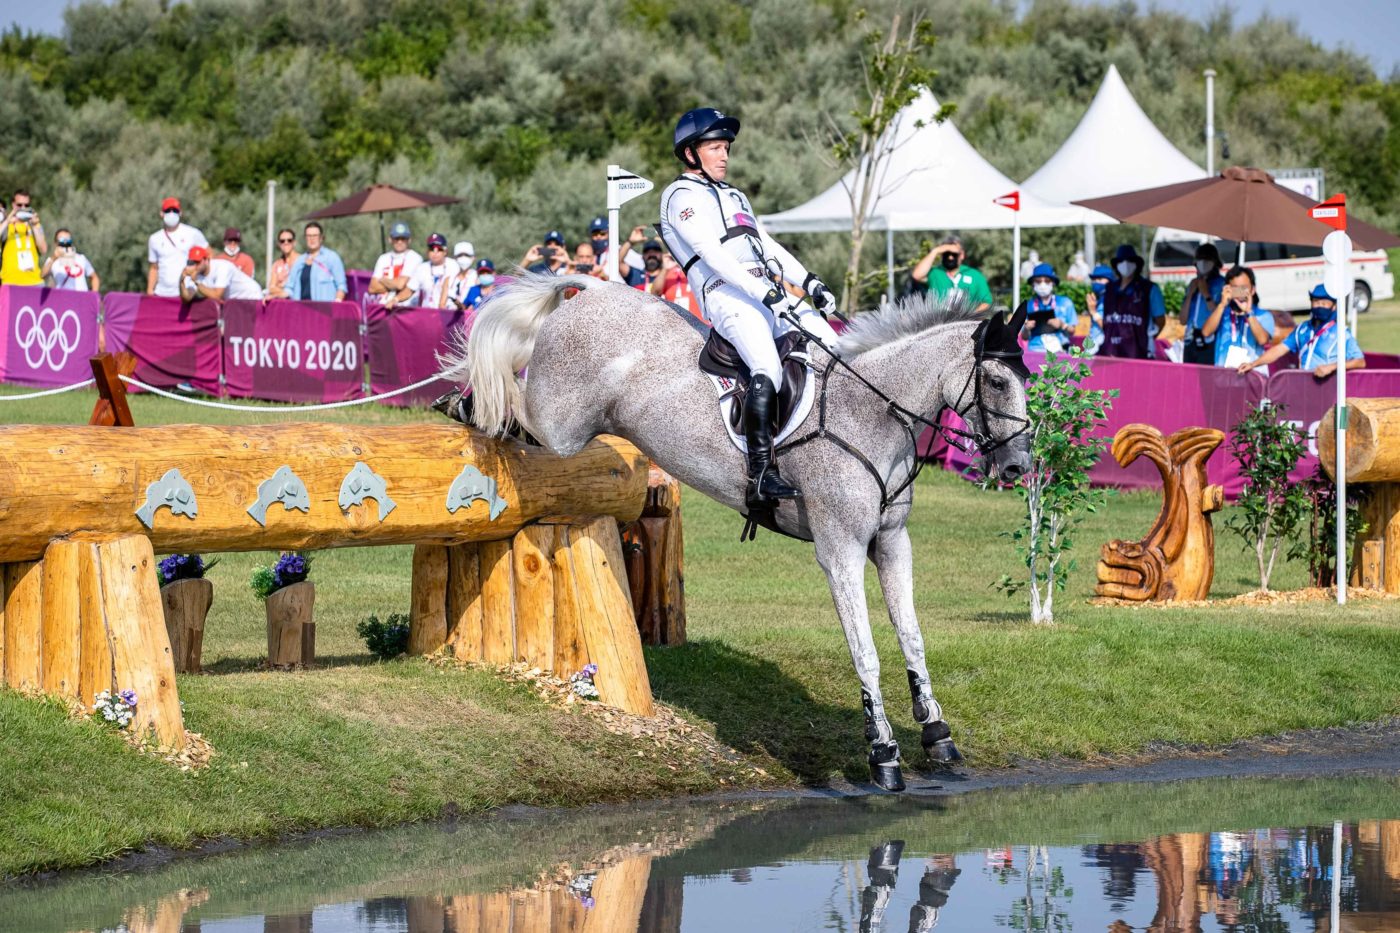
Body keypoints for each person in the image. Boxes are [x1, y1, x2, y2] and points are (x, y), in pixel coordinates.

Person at [659, 106, 840, 508]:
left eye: (726, 148)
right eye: (715, 147)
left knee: (834, 347)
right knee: (767, 366)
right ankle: (760, 475)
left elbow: (766, 244)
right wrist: (764, 292)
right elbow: (711, 252)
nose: (724, 155)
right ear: (691, 153)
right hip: (725, 290)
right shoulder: (679, 195)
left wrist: (809, 282)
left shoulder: (734, 195)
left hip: (766, 287)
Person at [1239, 284, 1364, 380]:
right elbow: (1279, 350)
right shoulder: (1302, 329)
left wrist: (1331, 367)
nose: (1319, 306)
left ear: (1334, 306)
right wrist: (1253, 364)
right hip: (1303, 385)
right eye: (1316, 302)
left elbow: (1360, 362)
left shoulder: (1341, 332)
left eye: (1324, 303)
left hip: (1328, 387)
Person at [1202, 265, 1274, 373]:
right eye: (1235, 288)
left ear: (1253, 290)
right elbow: (1206, 332)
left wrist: (1249, 312)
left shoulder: (1263, 315)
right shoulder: (1221, 313)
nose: (1240, 292)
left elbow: (1263, 340)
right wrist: (1222, 304)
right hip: (1224, 379)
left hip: (1254, 379)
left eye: (1244, 288)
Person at [1098, 244, 1165, 359]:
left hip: (1140, 353)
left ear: (1137, 264)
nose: (1125, 264)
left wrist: (1145, 338)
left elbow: (1160, 320)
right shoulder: (1109, 289)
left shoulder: (1149, 289)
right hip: (1111, 352)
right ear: (1116, 265)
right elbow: (1106, 321)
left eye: (1130, 261)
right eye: (1122, 261)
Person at [910, 236, 993, 313]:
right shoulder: (935, 273)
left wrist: (969, 317)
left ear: (962, 255)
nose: (950, 257)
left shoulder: (975, 275)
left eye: (954, 254)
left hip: (967, 324)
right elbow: (917, 275)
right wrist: (935, 251)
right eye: (946, 253)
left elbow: (987, 302)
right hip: (938, 323)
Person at [146, 197, 208, 297]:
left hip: (185, 292)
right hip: (161, 293)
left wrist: (198, 276)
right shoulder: (154, 238)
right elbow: (154, 268)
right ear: (161, 214)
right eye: (168, 211)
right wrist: (150, 290)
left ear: (180, 213)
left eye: (174, 210)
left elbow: (209, 255)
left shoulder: (192, 233)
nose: (171, 213)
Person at [1179, 242, 1226, 365]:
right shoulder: (1192, 284)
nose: (1203, 262)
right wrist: (1190, 295)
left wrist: (1206, 294)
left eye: (1207, 258)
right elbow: (1183, 320)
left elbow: (1221, 315)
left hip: (1211, 342)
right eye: (1200, 258)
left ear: (1215, 262)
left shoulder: (1222, 284)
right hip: (1190, 341)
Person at [1017, 263, 1076, 354]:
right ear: (1033, 284)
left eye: (1047, 280)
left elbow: (1072, 331)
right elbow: (1024, 337)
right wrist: (1026, 328)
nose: (1042, 284)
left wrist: (1062, 325)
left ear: (1053, 283)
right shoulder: (1028, 305)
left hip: (1060, 351)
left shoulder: (1065, 302)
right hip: (1035, 351)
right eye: (1038, 281)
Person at [389, 233, 458, 309]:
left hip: (448, 313)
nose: (435, 252)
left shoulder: (453, 265)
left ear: (445, 251)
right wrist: (395, 299)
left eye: (439, 249)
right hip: (427, 313)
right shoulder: (422, 268)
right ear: (427, 251)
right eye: (431, 249)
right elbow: (409, 290)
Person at [286, 221, 347, 302]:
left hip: (325, 311)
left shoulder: (331, 258)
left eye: (315, 235)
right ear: (305, 238)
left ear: (321, 238)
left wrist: (337, 303)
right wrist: (272, 295)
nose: (312, 239)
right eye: (309, 236)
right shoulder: (299, 261)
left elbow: (341, 286)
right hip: (301, 311)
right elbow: (289, 288)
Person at [178, 245, 263, 301]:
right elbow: (187, 298)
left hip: (251, 295)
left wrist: (196, 282)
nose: (195, 265)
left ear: (207, 260)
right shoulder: (197, 275)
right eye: (193, 262)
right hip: (235, 301)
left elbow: (217, 296)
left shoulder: (222, 267)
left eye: (198, 262)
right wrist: (182, 281)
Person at [368, 221, 423, 305]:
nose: (399, 242)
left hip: (405, 308)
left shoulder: (414, 258)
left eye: (403, 239)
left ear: (409, 240)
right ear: (390, 239)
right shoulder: (383, 258)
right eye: (396, 238)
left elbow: (401, 285)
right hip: (383, 306)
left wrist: (382, 280)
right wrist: (395, 284)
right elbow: (372, 288)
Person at [1, 189, 47, 285]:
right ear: (13, 205)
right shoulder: (6, 224)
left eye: (26, 205)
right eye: (19, 205)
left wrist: (34, 226)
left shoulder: (34, 224)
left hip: (34, 281)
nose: (23, 208)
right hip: (10, 281)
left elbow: (43, 250)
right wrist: (9, 219)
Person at [1082, 263, 1111, 354]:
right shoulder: (1099, 299)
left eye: (1100, 279)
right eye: (1094, 280)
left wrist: (1093, 312)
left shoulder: (1112, 300)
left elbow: (1110, 328)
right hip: (1093, 346)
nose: (1096, 282)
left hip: (1102, 347)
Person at [267, 227, 299, 298]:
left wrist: (280, 287)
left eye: (289, 240)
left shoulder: (301, 261)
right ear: (279, 244)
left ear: (294, 243)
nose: (286, 243)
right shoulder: (277, 264)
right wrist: (286, 292)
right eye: (282, 241)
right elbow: (271, 288)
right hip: (283, 304)